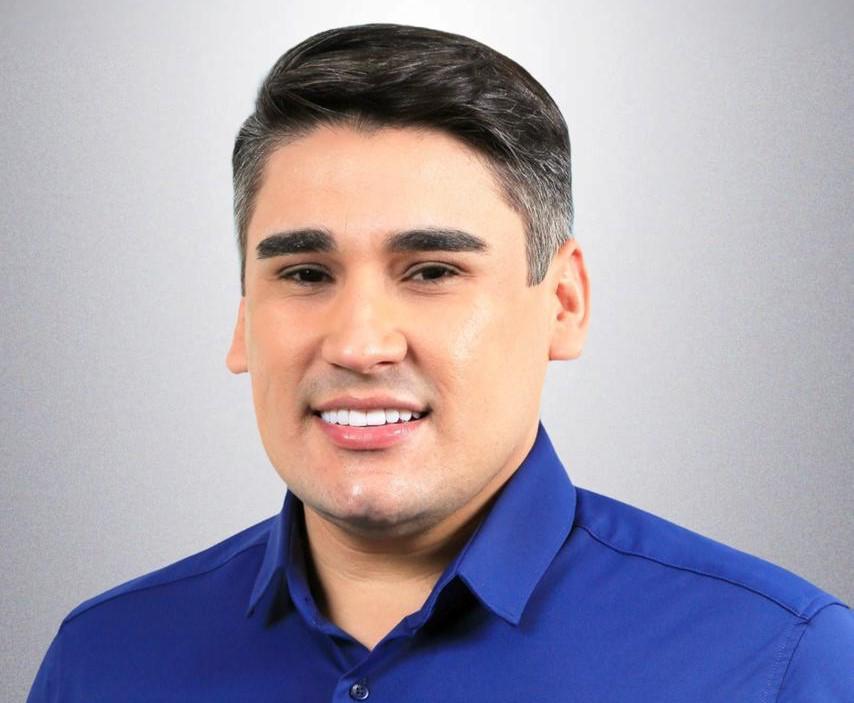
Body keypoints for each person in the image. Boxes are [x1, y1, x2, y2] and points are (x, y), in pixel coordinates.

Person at [28, 22, 852, 702]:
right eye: (305, 274)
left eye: (430, 272)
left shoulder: (777, 665)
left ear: (564, 302)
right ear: (244, 319)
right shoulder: (101, 662)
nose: (359, 344)